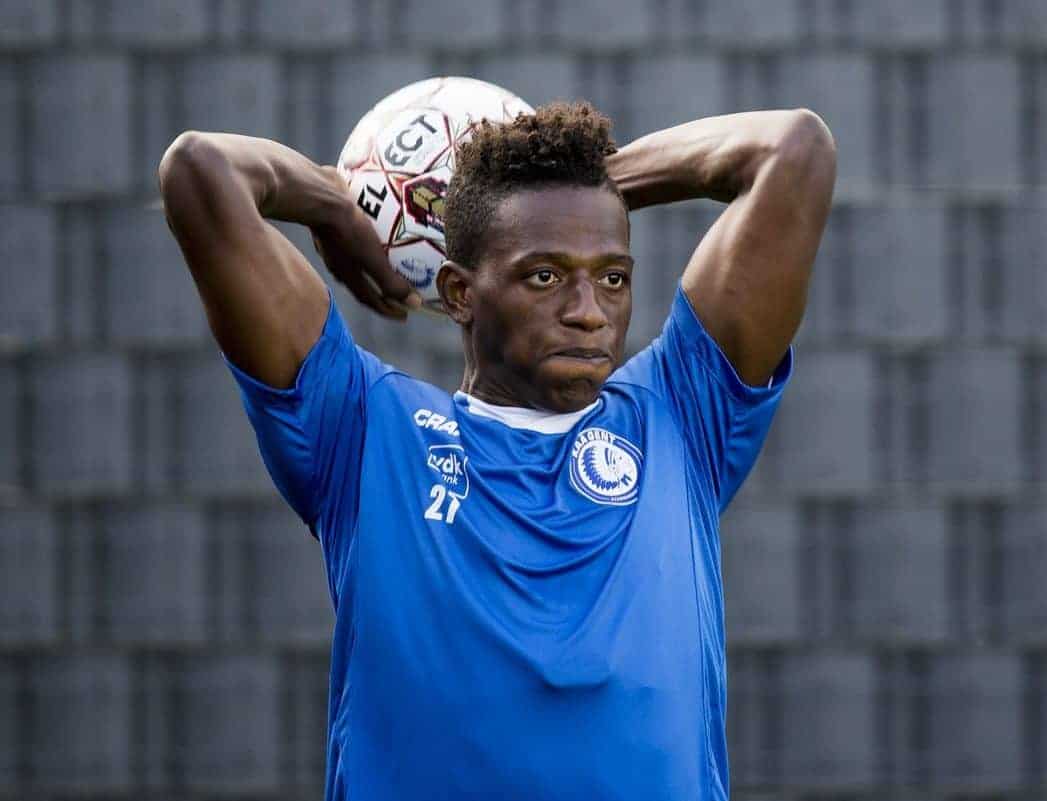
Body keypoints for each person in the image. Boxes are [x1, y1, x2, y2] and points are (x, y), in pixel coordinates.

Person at [159, 99, 835, 800]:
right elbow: (200, 171)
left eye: (613, 276)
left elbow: (794, 150)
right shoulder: (363, 427)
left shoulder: (683, 414)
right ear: (459, 293)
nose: (588, 310)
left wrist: (595, 182)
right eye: (545, 275)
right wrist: (338, 205)